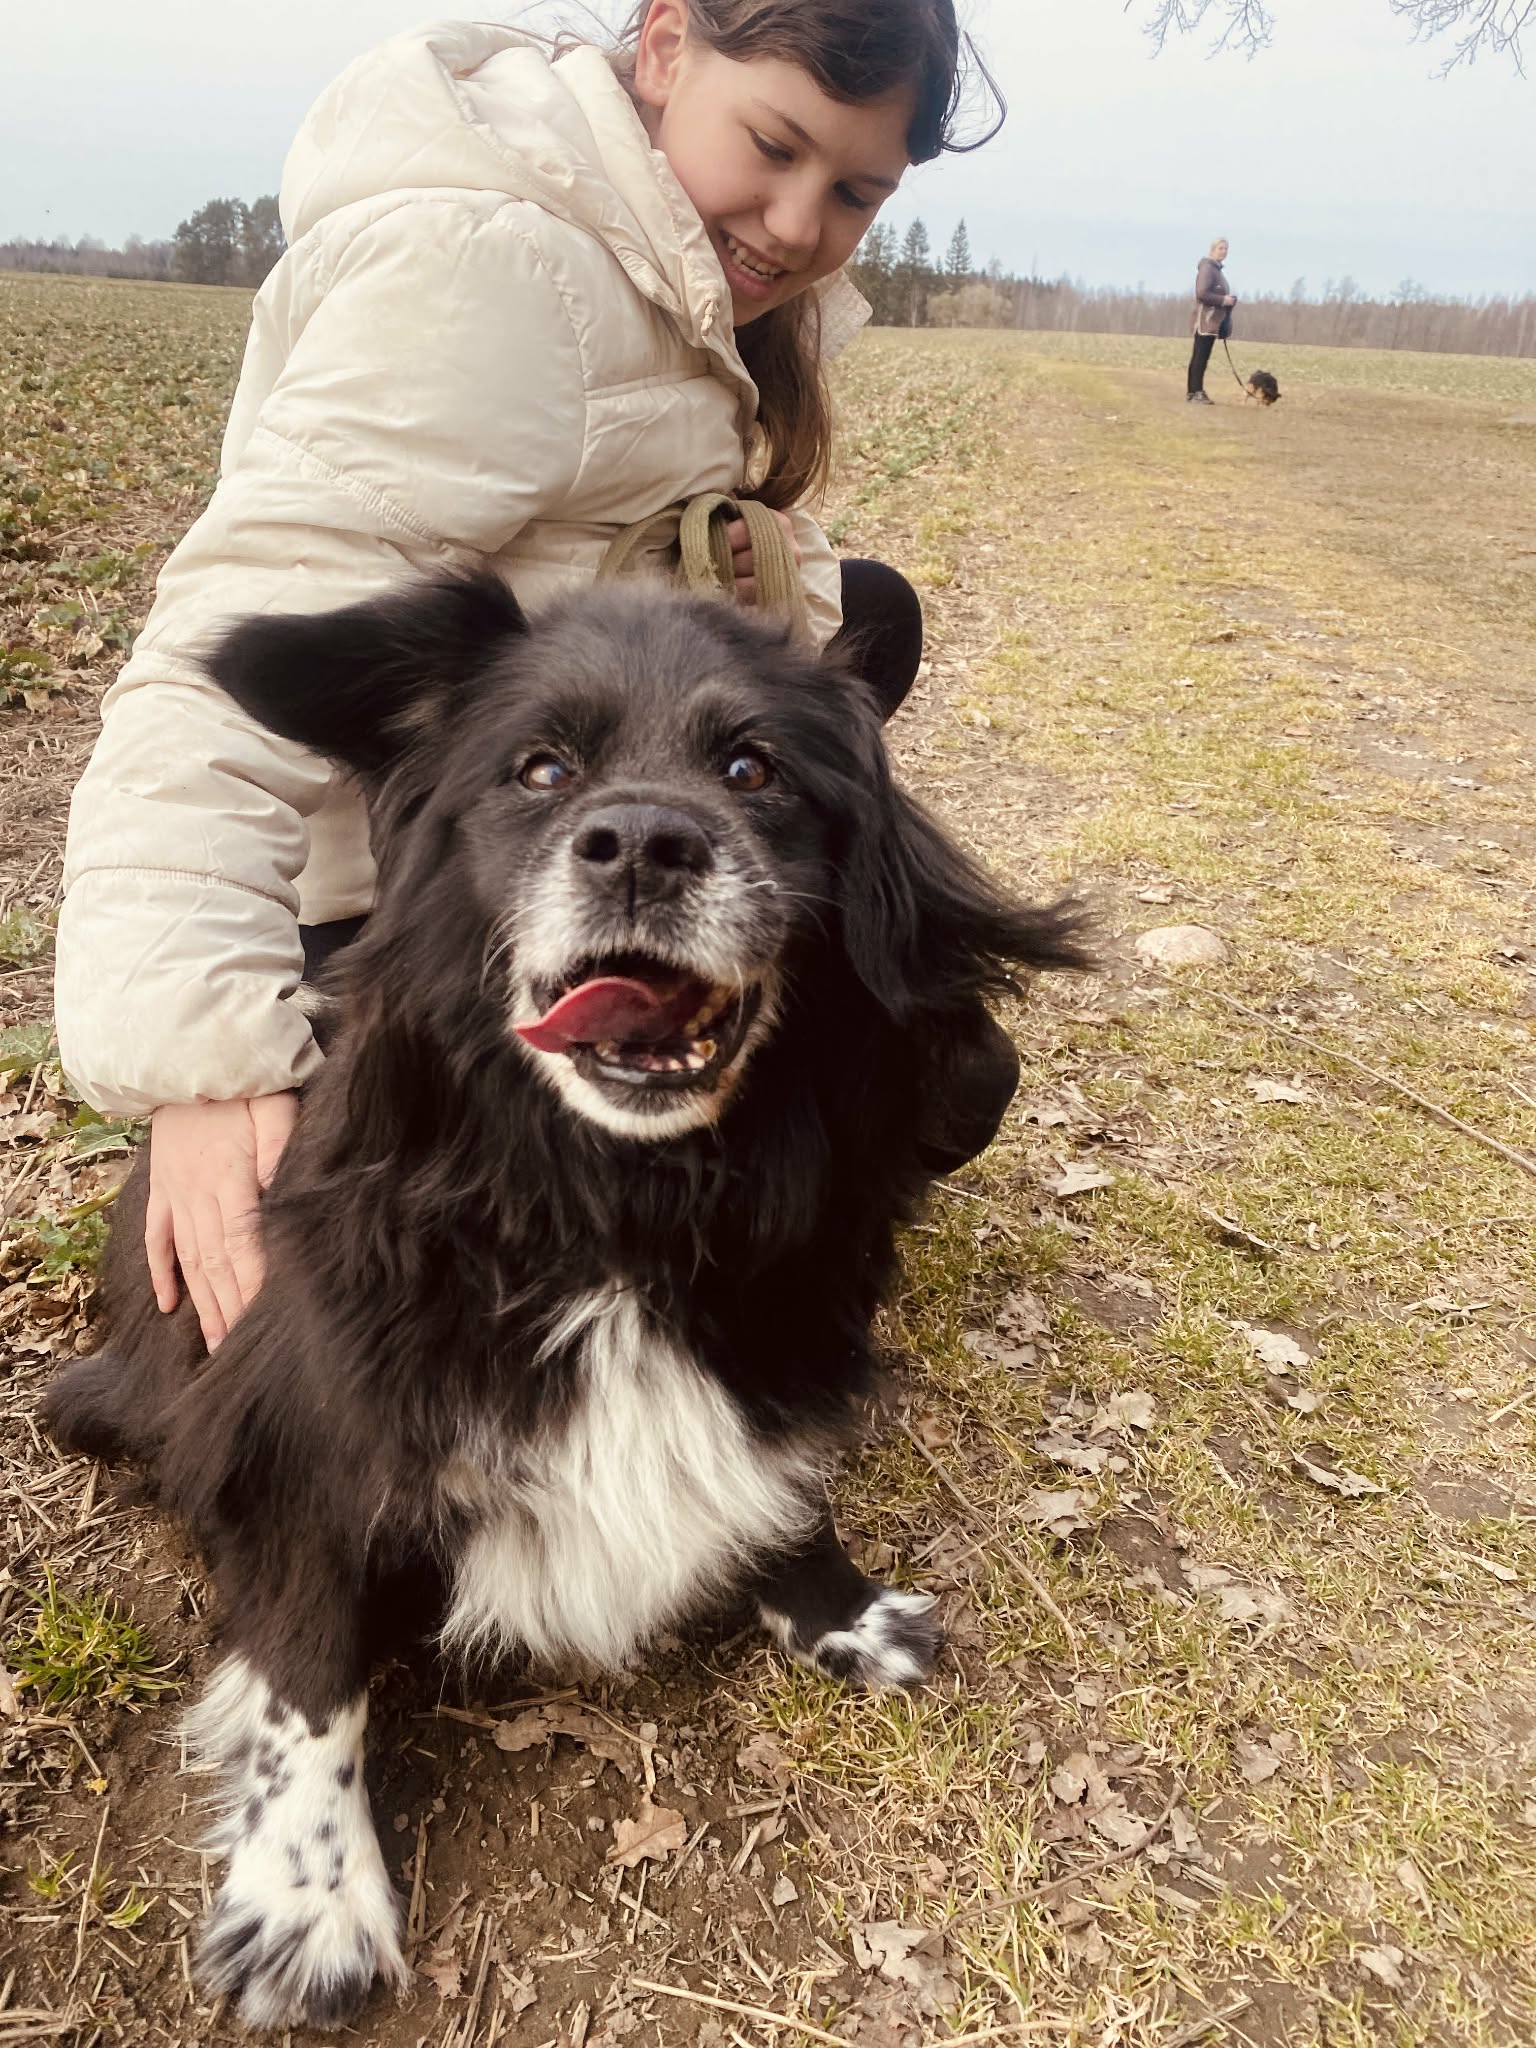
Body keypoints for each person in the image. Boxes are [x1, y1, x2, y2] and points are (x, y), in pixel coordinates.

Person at [56, 0, 1018, 1350]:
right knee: (920, 1086)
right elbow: (215, 671)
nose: (801, 224)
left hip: (594, 784)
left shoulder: (676, 258)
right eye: (775, 146)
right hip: (420, 880)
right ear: (666, 48)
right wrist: (204, 1067)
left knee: (943, 1040)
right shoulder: (493, 274)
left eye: (856, 193)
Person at [1187, 235, 1236, 403]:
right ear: (1212, 250)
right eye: (1220, 248)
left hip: (1212, 321)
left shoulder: (1216, 270)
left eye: (1226, 249)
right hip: (1205, 320)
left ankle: (1193, 392)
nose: (1224, 251)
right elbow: (1201, 293)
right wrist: (1223, 300)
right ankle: (1196, 392)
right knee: (1200, 357)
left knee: (1200, 356)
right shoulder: (1208, 268)